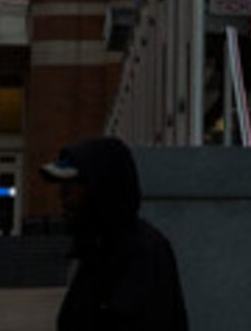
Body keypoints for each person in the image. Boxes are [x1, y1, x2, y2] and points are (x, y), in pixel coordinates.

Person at [42, 136, 188, 331]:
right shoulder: (99, 249)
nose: (62, 195)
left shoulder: (142, 253)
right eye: (62, 186)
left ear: (101, 187)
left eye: (73, 184)